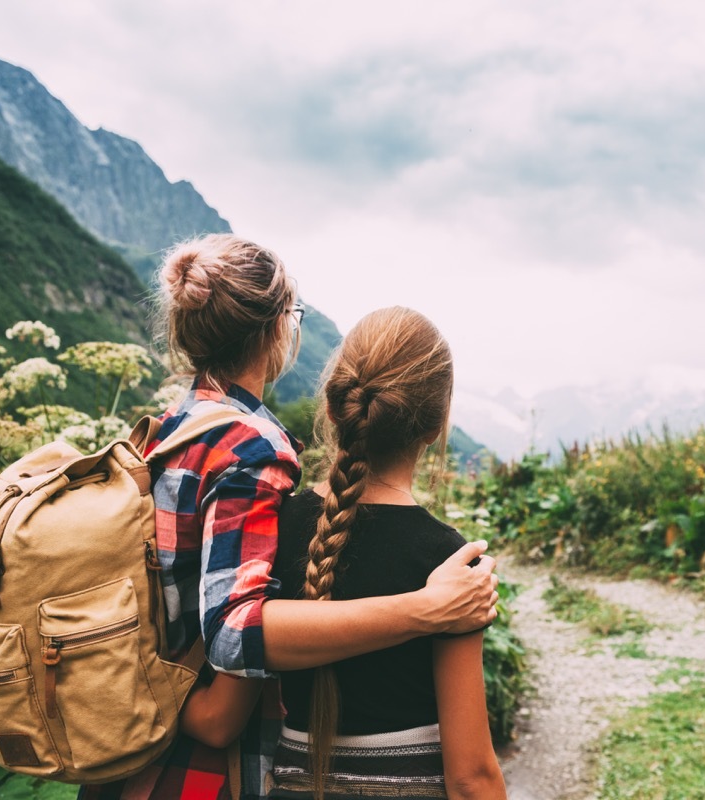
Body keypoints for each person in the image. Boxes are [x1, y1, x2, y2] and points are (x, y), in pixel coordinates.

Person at [81, 236, 498, 800]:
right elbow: (234, 639)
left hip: (132, 737)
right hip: (193, 773)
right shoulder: (253, 451)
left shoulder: (166, 432)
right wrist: (424, 609)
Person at [258, 306, 504, 799]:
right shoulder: (450, 565)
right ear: (435, 426)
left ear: (333, 409)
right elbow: (470, 776)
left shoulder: (273, 525)